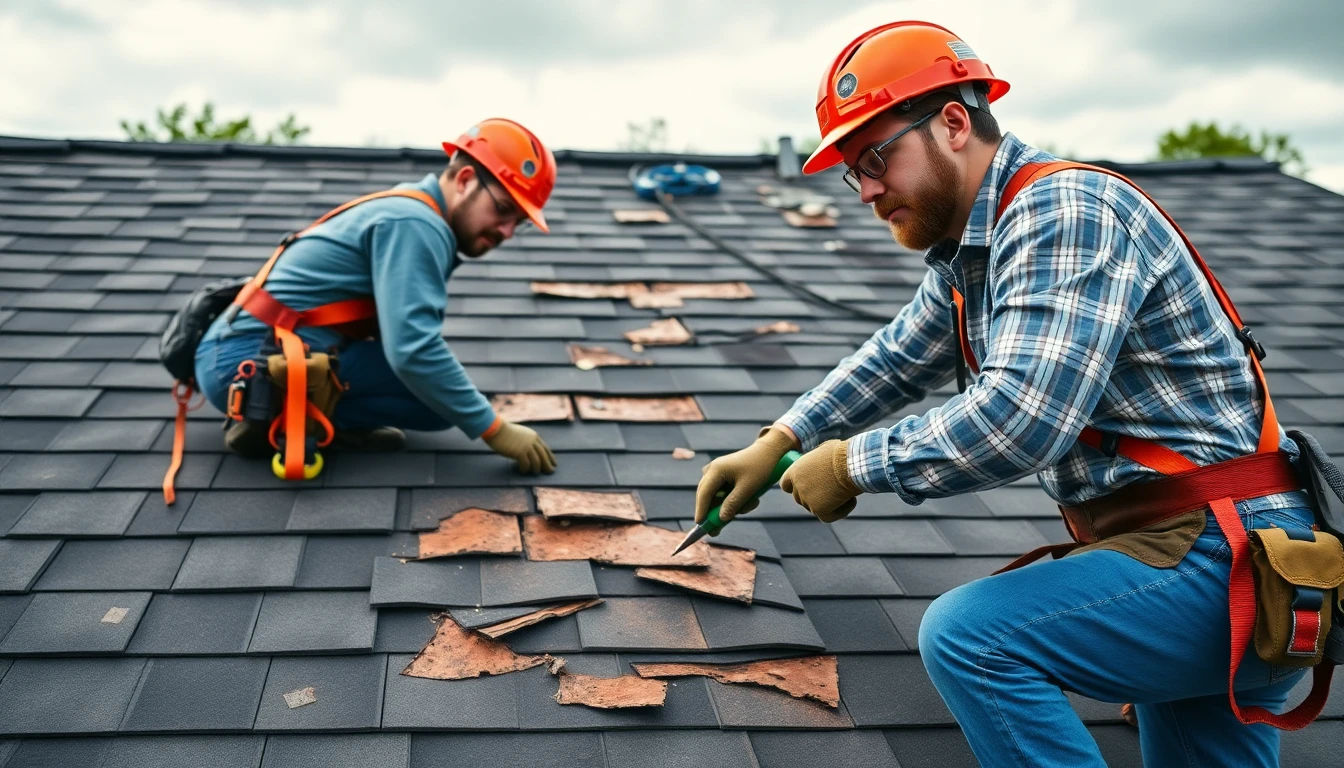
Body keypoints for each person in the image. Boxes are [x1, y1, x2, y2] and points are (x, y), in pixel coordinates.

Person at [695, 21, 1323, 766]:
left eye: (873, 158)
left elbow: (1020, 419)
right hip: (1218, 562)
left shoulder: (1064, 213)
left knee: (974, 637)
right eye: (849, 171)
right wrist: (780, 440)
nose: (864, 189)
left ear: (954, 123)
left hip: (1219, 559)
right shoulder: (981, 252)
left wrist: (850, 465)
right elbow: (896, 357)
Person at [194, 118, 557, 475]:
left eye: (519, 223)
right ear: (464, 181)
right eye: (505, 210)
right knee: (445, 399)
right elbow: (413, 349)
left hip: (245, 354)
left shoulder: (410, 210)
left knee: (443, 397)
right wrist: (496, 430)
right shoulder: (416, 224)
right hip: (246, 362)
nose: (508, 232)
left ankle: (317, 420)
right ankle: (290, 419)